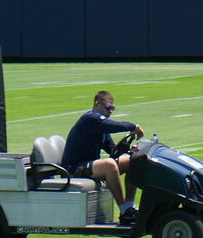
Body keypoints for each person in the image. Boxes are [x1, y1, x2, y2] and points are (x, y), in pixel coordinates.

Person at [61, 90, 144, 224]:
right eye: (108, 107)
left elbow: (112, 150)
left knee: (132, 161)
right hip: (74, 168)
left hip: (89, 166)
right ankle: (124, 210)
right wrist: (133, 127)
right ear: (97, 104)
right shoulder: (90, 119)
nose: (110, 111)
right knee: (109, 165)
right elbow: (112, 126)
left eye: (113, 108)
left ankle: (129, 206)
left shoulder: (100, 127)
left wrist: (129, 150)